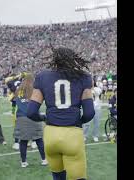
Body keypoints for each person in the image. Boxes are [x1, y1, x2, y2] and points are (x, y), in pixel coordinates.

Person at [27, 47, 95, 180]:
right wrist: (78, 121)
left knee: (58, 177)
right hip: (72, 134)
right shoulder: (84, 77)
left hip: (51, 134)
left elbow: (31, 112)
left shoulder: (42, 76)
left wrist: (44, 118)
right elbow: (89, 112)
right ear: (73, 59)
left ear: (54, 59)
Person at [13, 73, 48, 167]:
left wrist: (17, 76)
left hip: (21, 117)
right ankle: (44, 160)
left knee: (23, 141)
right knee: (39, 140)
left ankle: (23, 162)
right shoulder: (35, 90)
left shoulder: (18, 91)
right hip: (34, 116)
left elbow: (14, 101)